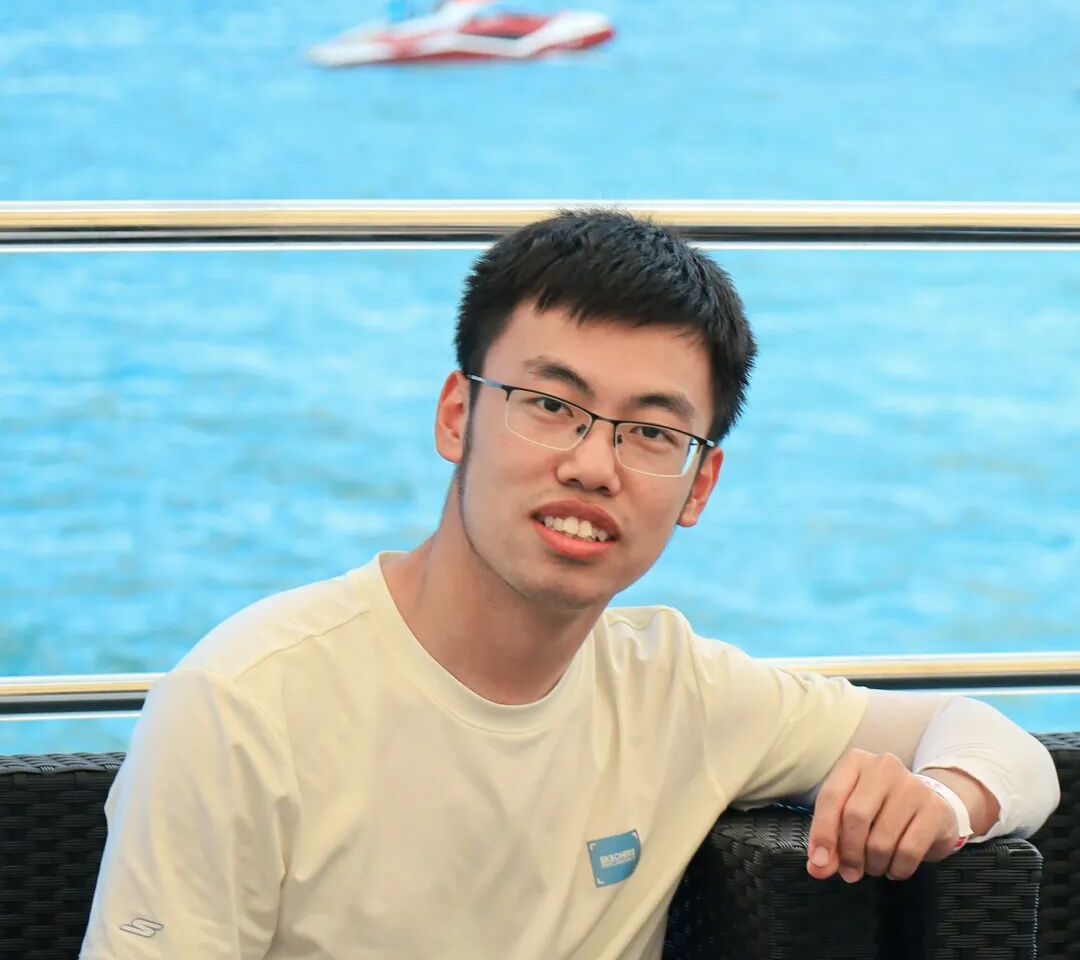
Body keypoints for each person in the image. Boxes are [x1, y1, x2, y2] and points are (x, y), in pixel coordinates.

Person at [80, 209, 1059, 959]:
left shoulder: (675, 693)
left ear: (699, 485)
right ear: (456, 416)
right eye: (550, 405)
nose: (593, 465)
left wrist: (945, 802)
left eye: (652, 432)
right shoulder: (246, 703)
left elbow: (1002, 747)